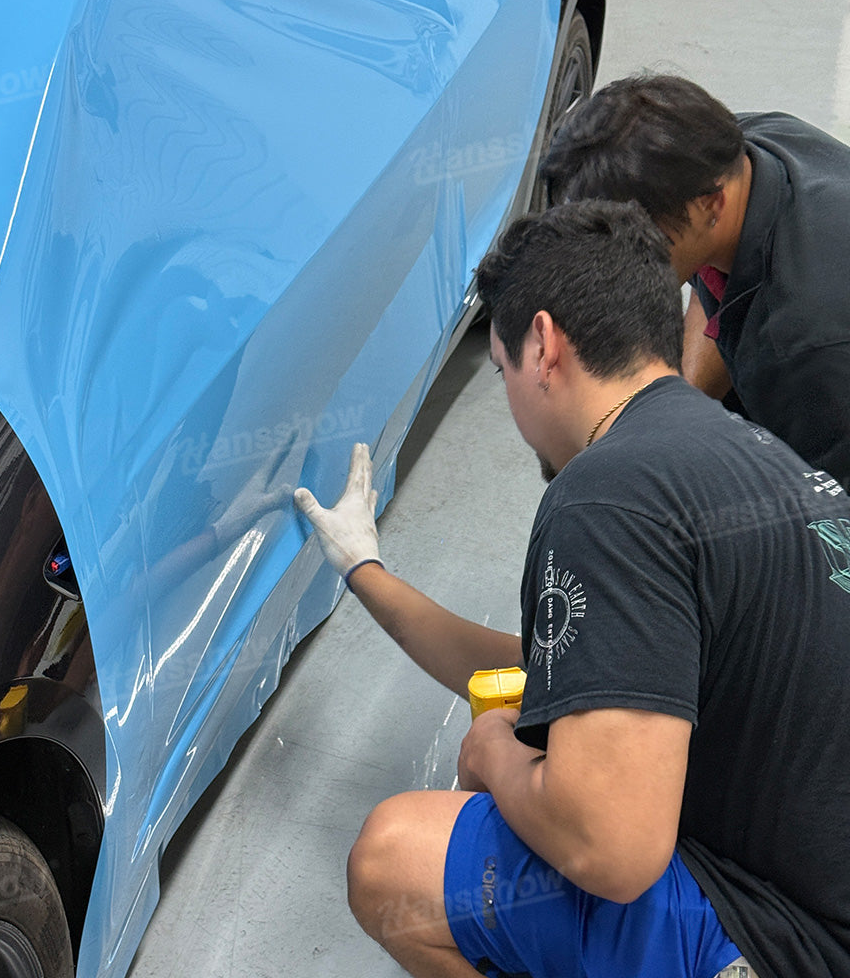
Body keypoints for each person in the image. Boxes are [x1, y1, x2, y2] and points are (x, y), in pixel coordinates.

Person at [293, 200, 850, 978]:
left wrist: (494, 753)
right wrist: (365, 571)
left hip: (783, 943)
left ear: (544, 345)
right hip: (814, 892)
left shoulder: (606, 494)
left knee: (395, 859)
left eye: (502, 370)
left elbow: (611, 852)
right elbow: (558, 664)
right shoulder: (733, 449)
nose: (511, 402)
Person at [539, 74, 850, 489]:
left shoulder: (800, 346)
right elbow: (715, 282)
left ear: (710, 204)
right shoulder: (740, 149)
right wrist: (671, 408)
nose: (612, 268)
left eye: (636, 242)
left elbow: (827, 514)